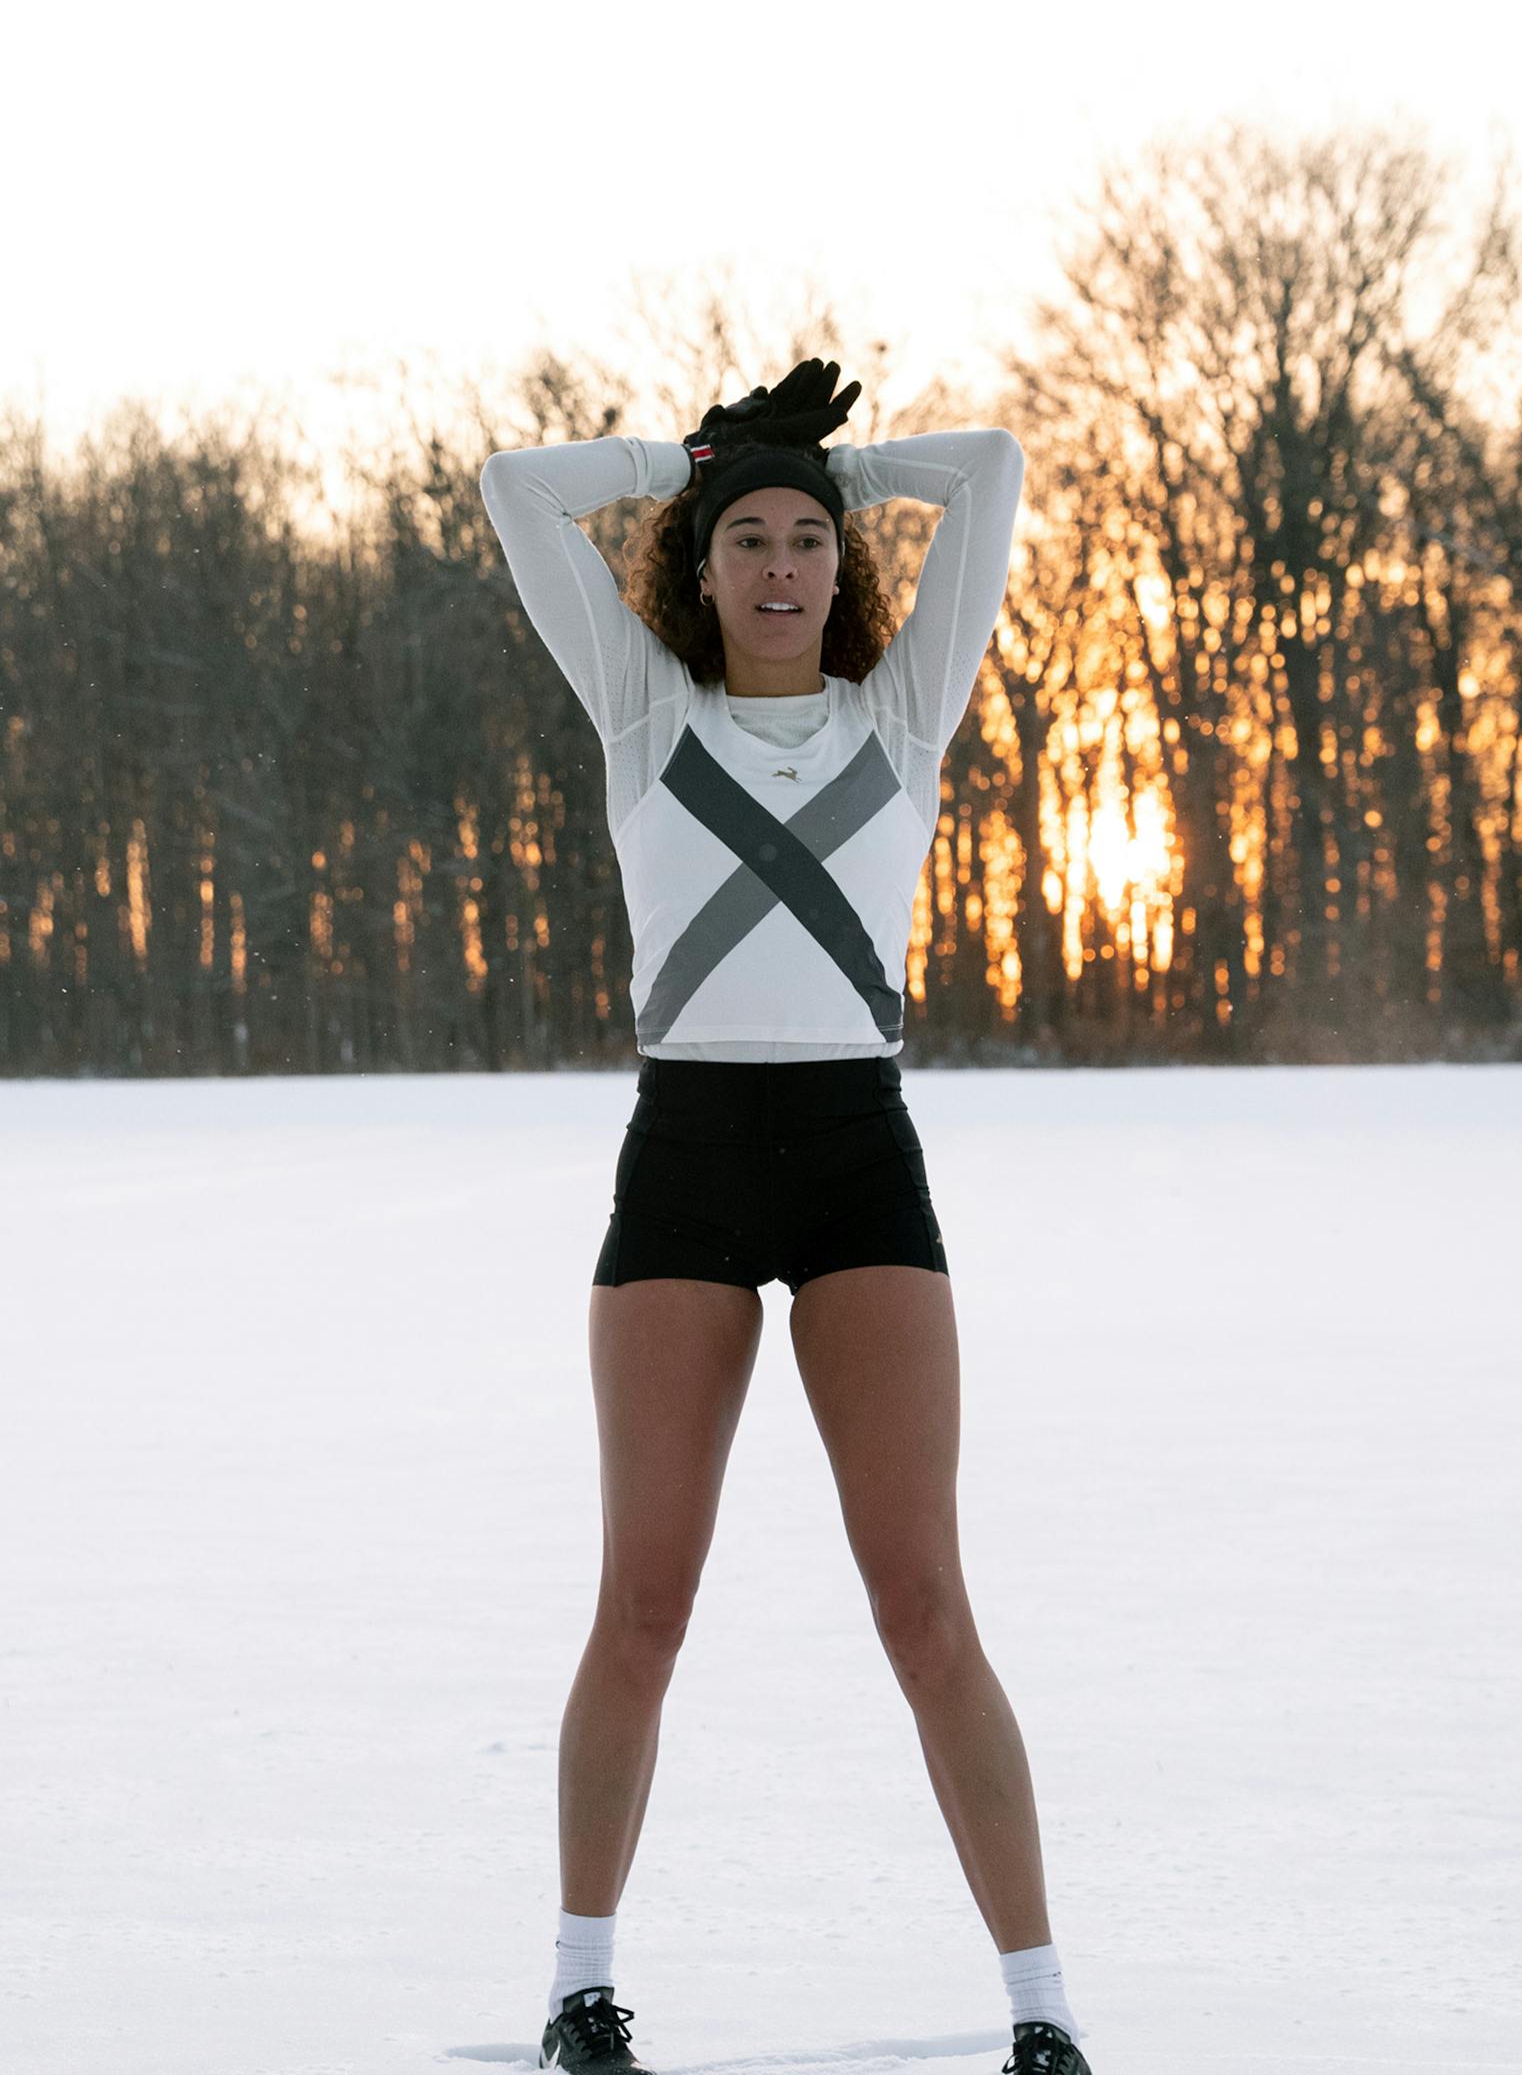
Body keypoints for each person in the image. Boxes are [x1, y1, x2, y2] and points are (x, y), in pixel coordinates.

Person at [478, 360, 1092, 2075]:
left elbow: (993, 467)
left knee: (925, 1610)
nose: (778, 565)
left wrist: (839, 464)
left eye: (806, 538)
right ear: (702, 564)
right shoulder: (644, 714)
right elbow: (517, 491)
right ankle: (579, 1989)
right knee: (645, 1607)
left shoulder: (900, 718)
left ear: (841, 566)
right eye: (745, 537)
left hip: (854, 1163)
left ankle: (1043, 2010)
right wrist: (687, 458)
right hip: (684, 1160)